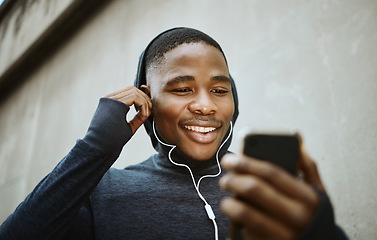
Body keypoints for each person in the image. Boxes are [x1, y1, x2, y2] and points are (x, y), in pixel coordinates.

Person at [0, 27, 347, 240]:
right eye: (182, 89)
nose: (205, 106)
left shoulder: (262, 185)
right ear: (147, 100)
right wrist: (93, 149)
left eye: (219, 90)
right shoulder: (102, 192)